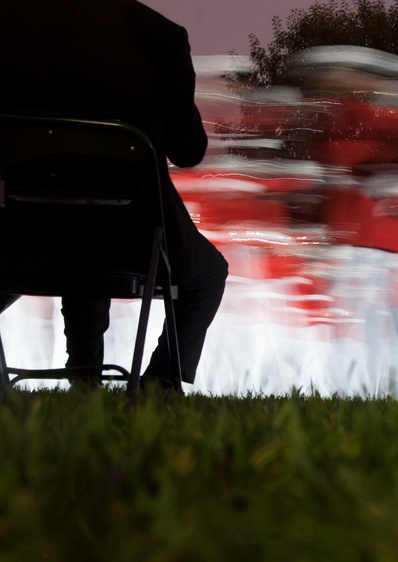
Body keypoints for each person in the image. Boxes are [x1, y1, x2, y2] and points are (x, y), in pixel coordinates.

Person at [0, 0, 228, 392]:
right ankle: (159, 381)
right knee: (209, 274)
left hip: (23, 239)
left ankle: (83, 376)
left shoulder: (11, 27)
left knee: (75, 227)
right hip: (133, 241)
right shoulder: (161, 37)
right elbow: (188, 151)